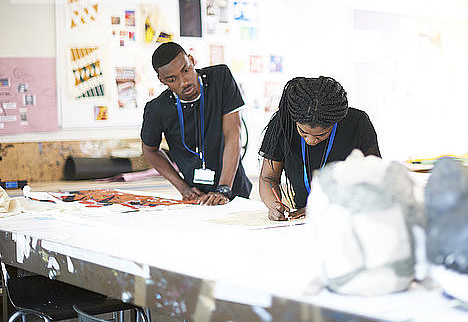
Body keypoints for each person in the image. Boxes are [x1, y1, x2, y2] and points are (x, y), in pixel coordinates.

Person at [141, 42, 251, 205]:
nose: (183, 82)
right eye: (172, 79)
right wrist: (183, 187)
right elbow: (150, 151)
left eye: (185, 70)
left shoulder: (220, 79)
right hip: (196, 197)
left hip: (233, 189)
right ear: (162, 80)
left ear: (191, 60)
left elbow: (233, 135)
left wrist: (223, 188)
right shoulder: (157, 109)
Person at [259, 76, 381, 220]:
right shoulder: (282, 123)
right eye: (303, 132)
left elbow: (375, 180)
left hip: (348, 217)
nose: (311, 140)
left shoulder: (357, 123)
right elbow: (268, 177)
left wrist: (325, 208)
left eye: (321, 135)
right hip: (301, 221)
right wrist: (274, 205)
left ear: (336, 121)